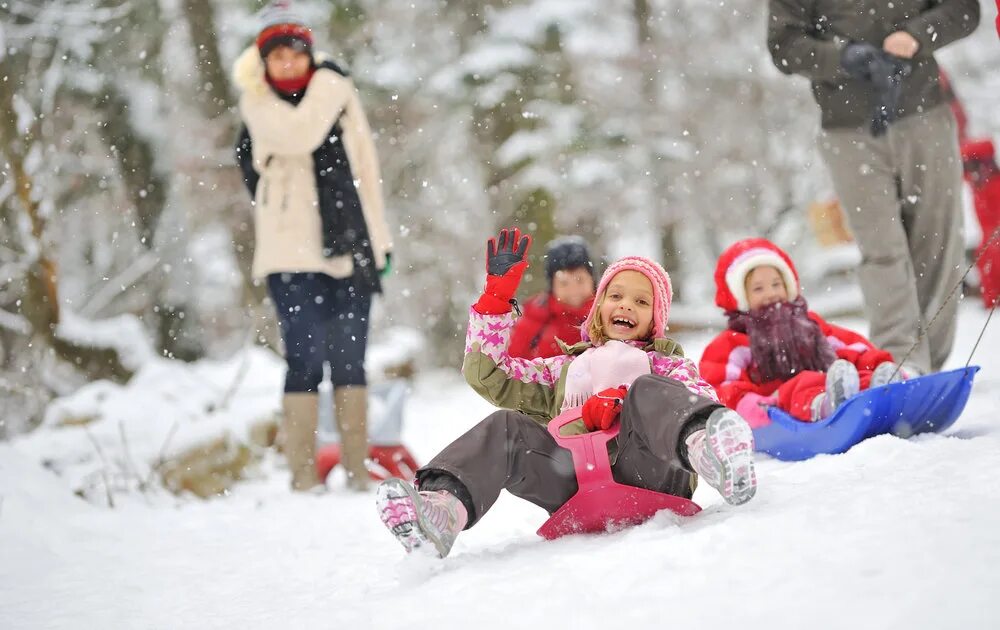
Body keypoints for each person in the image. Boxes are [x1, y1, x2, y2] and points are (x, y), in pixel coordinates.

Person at [374, 228, 757, 558]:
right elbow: (489, 375)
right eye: (617, 296)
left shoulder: (664, 365)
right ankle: (443, 512)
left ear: (655, 319)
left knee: (647, 390)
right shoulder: (564, 369)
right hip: (575, 485)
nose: (626, 304)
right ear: (600, 306)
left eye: (642, 301)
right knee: (508, 426)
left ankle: (710, 455)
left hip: (652, 474)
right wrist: (495, 300)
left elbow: (699, 394)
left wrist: (627, 402)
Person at [767, 0, 980, 375]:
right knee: (882, 251)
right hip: (846, 129)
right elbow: (784, 46)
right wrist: (842, 57)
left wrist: (915, 35)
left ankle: (929, 364)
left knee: (940, 244)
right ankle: (899, 365)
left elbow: (964, 10)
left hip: (924, 114)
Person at [233, 0, 392, 491]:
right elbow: (300, 133)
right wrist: (332, 84)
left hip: (347, 247)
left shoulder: (338, 95)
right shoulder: (257, 102)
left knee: (350, 359)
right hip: (288, 254)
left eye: (295, 52)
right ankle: (303, 477)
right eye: (276, 54)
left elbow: (366, 168)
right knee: (303, 359)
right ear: (263, 61)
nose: (287, 63)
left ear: (308, 52)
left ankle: (356, 472)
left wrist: (380, 243)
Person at [700, 239, 906, 426]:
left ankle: (881, 388)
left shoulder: (808, 325)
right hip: (778, 405)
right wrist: (756, 407)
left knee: (850, 374)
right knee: (802, 384)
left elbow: (851, 347)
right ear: (740, 297)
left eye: (776, 284)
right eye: (758, 289)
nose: (771, 293)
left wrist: (879, 364)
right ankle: (825, 406)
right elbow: (721, 387)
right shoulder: (733, 343)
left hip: (829, 382)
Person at [508, 236, 596, 359]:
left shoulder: (607, 313)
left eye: (580, 280)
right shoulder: (533, 318)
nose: (573, 289)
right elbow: (513, 365)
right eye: (564, 283)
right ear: (552, 285)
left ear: (592, 279)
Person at [962, 141, 1000, 308]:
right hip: (987, 243)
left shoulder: (994, 185)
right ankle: (988, 296)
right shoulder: (978, 185)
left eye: (972, 165)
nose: (969, 171)